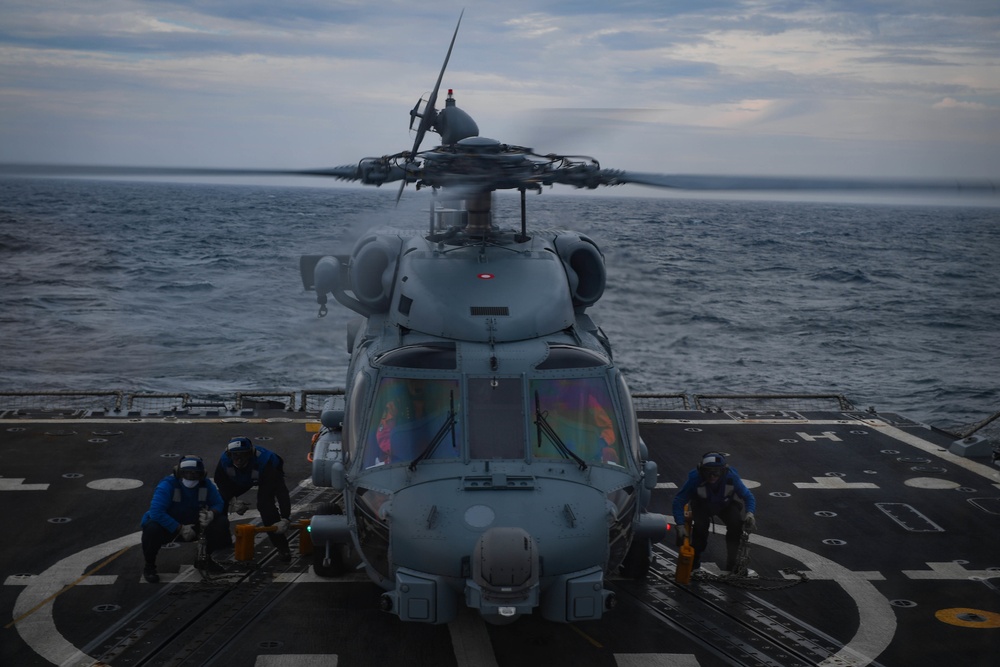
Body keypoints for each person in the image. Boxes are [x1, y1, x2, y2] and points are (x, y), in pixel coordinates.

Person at [141, 454, 229, 583]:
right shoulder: (168, 485)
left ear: (202, 475)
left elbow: (218, 503)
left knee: (221, 522)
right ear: (178, 473)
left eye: (195, 474)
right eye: (187, 473)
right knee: (151, 528)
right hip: (170, 527)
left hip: (195, 525)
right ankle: (149, 566)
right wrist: (180, 528)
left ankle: (205, 558)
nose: (191, 476)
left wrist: (211, 514)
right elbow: (156, 512)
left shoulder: (206, 485)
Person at [672, 452, 757, 573]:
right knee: (700, 529)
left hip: (725, 505)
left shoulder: (731, 478)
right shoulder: (695, 479)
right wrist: (680, 525)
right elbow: (679, 501)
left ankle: (732, 563)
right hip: (702, 505)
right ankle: (694, 562)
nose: (712, 476)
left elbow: (748, 496)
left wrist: (750, 513)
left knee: (736, 525)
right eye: (708, 472)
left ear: (723, 471)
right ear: (701, 471)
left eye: (716, 472)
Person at [213, 437, 293, 560]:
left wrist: (285, 518)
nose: (238, 460)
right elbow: (221, 482)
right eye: (235, 455)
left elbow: (281, 492)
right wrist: (233, 501)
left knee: (265, 506)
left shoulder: (267, 462)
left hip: (264, 479)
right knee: (218, 501)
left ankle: (282, 547)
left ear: (250, 454)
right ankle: (221, 540)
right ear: (229, 455)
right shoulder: (225, 460)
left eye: (242, 455)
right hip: (239, 479)